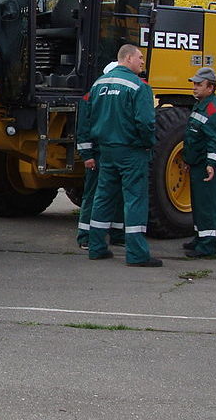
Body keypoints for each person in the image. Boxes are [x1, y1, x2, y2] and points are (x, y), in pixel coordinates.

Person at [87, 44, 161, 267]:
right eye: (139, 57)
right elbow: (146, 122)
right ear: (128, 58)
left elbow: (90, 117)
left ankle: (96, 247)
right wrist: (149, 144)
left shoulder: (99, 84)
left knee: (103, 198)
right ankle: (137, 254)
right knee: (135, 199)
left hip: (106, 150)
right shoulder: (139, 87)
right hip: (131, 151)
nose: (142, 62)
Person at [76, 62, 125, 250]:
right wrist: (87, 155)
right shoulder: (92, 97)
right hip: (98, 155)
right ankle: (85, 236)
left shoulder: (103, 95)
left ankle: (117, 233)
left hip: (111, 154)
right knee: (93, 194)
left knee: (116, 194)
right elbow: (84, 129)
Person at [182, 67, 216, 258]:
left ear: (211, 87)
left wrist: (211, 164)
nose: (195, 87)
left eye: (199, 84)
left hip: (205, 166)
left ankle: (207, 245)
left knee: (207, 205)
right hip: (197, 164)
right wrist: (188, 160)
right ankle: (200, 238)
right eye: (194, 84)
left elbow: (215, 140)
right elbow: (194, 136)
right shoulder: (201, 104)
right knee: (199, 204)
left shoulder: (213, 110)